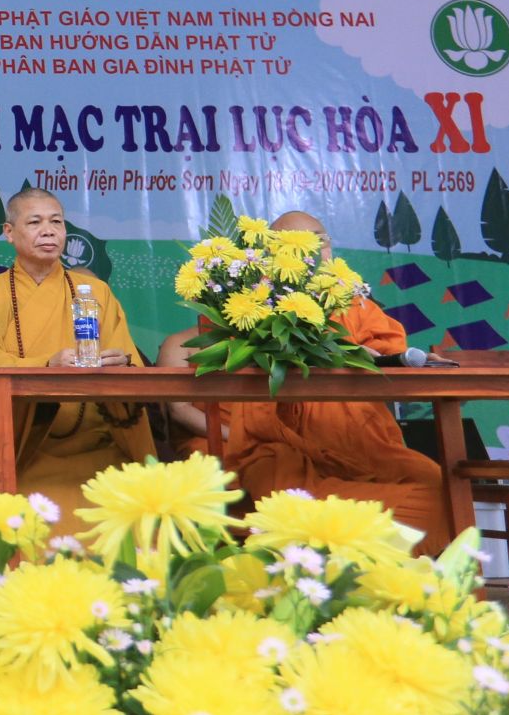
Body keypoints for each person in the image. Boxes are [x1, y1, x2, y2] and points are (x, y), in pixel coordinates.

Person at [162, 210, 445, 552]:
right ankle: (335, 557)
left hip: (350, 447)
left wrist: (394, 360)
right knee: (286, 491)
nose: (309, 253)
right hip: (269, 452)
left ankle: (363, 561)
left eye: (319, 242)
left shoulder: (352, 307)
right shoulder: (256, 322)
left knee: (434, 483)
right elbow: (183, 410)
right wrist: (242, 436)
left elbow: (388, 357)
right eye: (293, 246)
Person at [0, 187, 154, 534]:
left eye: (57, 222)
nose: (48, 231)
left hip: (95, 439)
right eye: (35, 222)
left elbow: (130, 367)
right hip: (20, 445)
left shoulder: (97, 293)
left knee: (132, 513)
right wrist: (46, 364)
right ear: (9, 232)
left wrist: (119, 362)